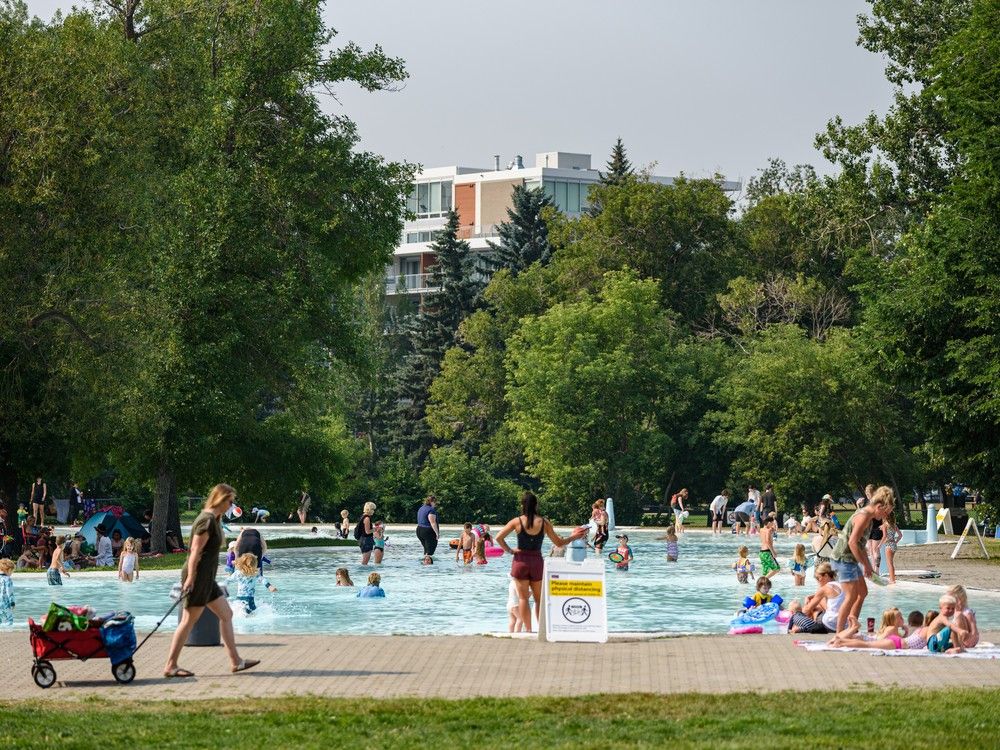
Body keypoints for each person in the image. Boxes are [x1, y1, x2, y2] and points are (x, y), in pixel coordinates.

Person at [163, 483, 259, 678]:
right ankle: (170, 665)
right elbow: (194, 552)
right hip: (198, 578)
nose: (231, 506)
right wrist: (190, 578)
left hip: (207, 580)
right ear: (221, 499)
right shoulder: (205, 521)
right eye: (230, 501)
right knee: (188, 622)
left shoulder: (214, 519)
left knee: (226, 614)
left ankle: (236, 662)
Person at [495, 491, 586, 632]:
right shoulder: (544, 523)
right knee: (539, 599)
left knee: (523, 599)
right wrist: (573, 537)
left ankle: (529, 630)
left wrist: (510, 550)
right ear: (536, 505)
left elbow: (499, 538)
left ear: (522, 505)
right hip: (537, 562)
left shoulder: (516, 521)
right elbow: (559, 542)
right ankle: (541, 630)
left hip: (520, 561)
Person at [829, 485, 895, 633]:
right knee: (851, 595)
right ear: (879, 506)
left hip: (850, 559)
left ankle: (852, 627)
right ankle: (839, 633)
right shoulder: (863, 516)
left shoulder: (870, 519)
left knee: (862, 593)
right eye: (886, 512)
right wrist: (865, 565)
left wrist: (869, 566)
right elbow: (852, 542)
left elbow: (861, 546)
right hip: (842, 558)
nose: (885, 516)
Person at [758, 514, 780, 579]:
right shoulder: (768, 530)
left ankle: (761, 584)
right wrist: (773, 552)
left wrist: (772, 528)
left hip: (761, 553)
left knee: (765, 571)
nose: (773, 525)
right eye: (772, 523)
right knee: (776, 569)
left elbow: (773, 530)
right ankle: (762, 582)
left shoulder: (761, 530)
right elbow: (768, 542)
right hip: (767, 552)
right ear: (769, 523)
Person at [883, 513, 902, 584]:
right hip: (893, 545)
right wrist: (895, 541)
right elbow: (900, 535)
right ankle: (892, 579)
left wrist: (880, 544)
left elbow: (884, 536)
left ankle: (892, 580)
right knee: (891, 563)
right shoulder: (894, 525)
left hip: (888, 545)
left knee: (889, 564)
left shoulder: (885, 525)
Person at [0, 558, 14, 625]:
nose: (12, 573)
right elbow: (9, 592)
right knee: (9, 620)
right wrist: (12, 602)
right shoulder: (8, 579)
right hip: (5, 602)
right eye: (12, 571)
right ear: (8, 570)